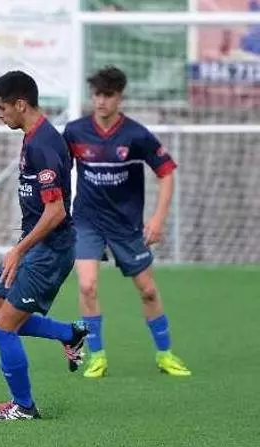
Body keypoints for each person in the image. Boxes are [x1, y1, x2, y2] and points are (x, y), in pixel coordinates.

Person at [0, 70, 89, 421]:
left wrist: (19, 251)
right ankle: (69, 333)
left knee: (2, 329)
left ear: (21, 104)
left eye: (2, 107)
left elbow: (56, 211)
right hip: (32, 246)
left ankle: (24, 406)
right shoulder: (32, 136)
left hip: (49, 252)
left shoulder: (43, 145)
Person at [62, 66, 191, 378]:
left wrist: (158, 219)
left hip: (126, 225)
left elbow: (167, 173)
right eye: (97, 95)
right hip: (87, 221)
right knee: (87, 285)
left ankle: (165, 354)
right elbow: (57, 168)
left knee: (148, 291)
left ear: (120, 97)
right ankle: (97, 357)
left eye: (108, 95)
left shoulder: (136, 135)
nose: (101, 101)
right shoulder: (75, 132)